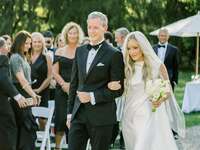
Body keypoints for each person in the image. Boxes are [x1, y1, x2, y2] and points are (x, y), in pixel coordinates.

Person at [108, 31, 185, 150]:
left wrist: (160, 99)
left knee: (143, 145)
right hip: (129, 114)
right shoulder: (126, 68)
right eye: (129, 48)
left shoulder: (157, 65)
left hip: (150, 112)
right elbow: (120, 89)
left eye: (135, 48)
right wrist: (113, 86)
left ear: (143, 47)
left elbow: (167, 89)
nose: (132, 52)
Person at [67, 11, 124, 150]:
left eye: (96, 27)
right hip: (78, 114)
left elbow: (119, 90)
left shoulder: (114, 54)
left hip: (102, 116)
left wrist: (92, 96)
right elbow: (74, 84)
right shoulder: (80, 51)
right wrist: (70, 113)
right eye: (89, 27)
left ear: (105, 28)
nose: (91, 31)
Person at [53, 22, 84, 149]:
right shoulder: (59, 51)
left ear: (78, 35)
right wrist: (63, 84)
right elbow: (54, 72)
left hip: (77, 91)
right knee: (60, 120)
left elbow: (84, 71)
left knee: (74, 121)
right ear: (66, 34)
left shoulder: (83, 50)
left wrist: (72, 86)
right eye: (70, 33)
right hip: (61, 90)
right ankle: (57, 147)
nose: (72, 35)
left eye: (75, 33)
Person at [10, 31, 40, 150]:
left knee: (27, 130)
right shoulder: (15, 57)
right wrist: (34, 95)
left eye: (30, 43)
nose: (29, 46)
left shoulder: (23, 57)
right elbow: (21, 80)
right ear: (19, 43)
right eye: (26, 43)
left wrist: (32, 93)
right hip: (19, 94)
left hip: (25, 93)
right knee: (24, 128)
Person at [0, 37, 28, 150]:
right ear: (1, 48)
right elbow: (3, 79)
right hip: (1, 102)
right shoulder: (2, 58)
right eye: (6, 45)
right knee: (9, 128)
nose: (8, 48)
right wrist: (18, 96)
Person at [30, 32, 52, 129]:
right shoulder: (26, 56)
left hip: (42, 90)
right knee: (29, 115)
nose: (37, 44)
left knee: (42, 118)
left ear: (42, 43)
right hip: (28, 90)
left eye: (39, 42)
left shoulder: (47, 57)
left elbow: (49, 77)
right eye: (35, 42)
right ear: (31, 43)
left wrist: (39, 90)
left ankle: (43, 138)